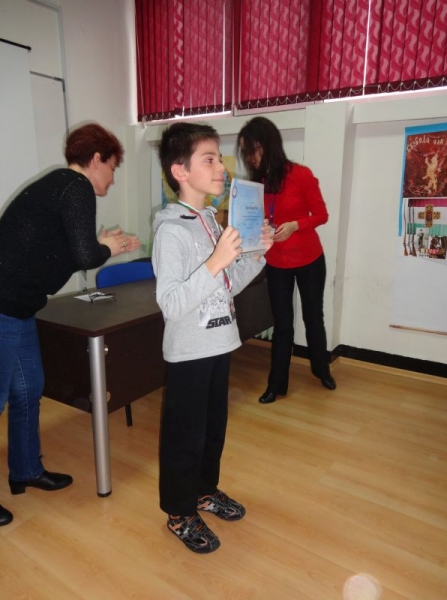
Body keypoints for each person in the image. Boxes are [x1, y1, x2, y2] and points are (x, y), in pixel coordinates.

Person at [0, 123, 140, 526]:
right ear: (96, 159)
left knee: (29, 391)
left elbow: (59, 254)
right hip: (3, 306)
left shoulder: (59, 187)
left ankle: (26, 470)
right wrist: (108, 247)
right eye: (112, 167)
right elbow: (84, 256)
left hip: (20, 307)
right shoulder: (76, 186)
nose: (113, 178)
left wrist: (100, 244)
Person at [152, 121, 272, 554]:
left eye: (219, 158)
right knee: (184, 437)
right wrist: (215, 262)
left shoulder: (208, 221)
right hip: (189, 352)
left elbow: (226, 284)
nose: (221, 167)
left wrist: (257, 254)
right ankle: (179, 512)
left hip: (220, 342)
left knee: (211, 431)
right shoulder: (172, 231)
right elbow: (171, 303)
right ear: (180, 171)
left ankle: (203, 491)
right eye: (209, 159)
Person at [237, 116, 335, 405]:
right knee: (282, 324)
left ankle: (322, 370)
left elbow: (322, 215)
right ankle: (276, 385)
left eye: (251, 149)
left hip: (309, 259)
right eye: (245, 151)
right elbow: (252, 222)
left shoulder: (301, 175)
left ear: (266, 145)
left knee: (313, 317)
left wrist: (296, 225)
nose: (248, 157)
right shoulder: (254, 185)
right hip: (276, 262)